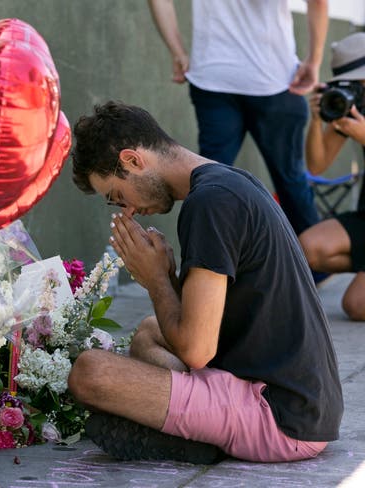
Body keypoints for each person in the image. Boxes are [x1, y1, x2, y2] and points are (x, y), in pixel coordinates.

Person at [68, 101, 343, 464]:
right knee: (149, 333)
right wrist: (166, 276)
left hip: (280, 418)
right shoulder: (227, 182)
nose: (127, 211)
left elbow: (196, 350)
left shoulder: (210, 203)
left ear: (133, 161)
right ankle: (194, 422)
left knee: (91, 372)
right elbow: (207, 325)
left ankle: (196, 437)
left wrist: (154, 282)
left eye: (118, 196)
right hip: (307, 405)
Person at [147, 0, 328, 236]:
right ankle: (317, 271)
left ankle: (205, 268)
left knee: (209, 186)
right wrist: (314, 60)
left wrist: (177, 51)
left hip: (214, 77)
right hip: (273, 79)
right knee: (292, 184)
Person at [299, 32, 365, 320]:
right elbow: (317, 165)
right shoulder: (353, 108)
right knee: (307, 249)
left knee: (357, 305)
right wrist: (315, 122)